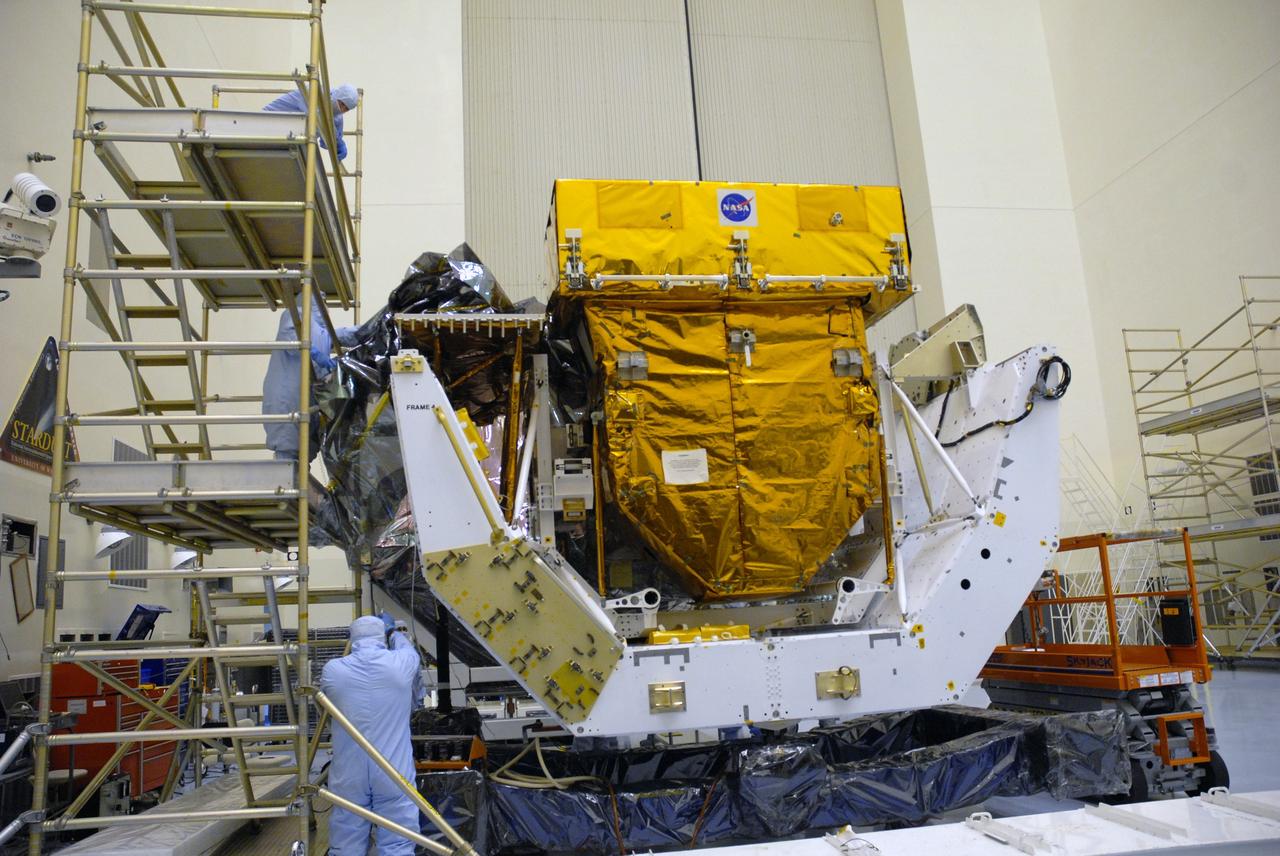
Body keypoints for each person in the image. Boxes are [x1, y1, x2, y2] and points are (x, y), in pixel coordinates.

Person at [321, 613, 422, 855]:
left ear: (352, 638)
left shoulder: (333, 670)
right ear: (382, 637)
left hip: (349, 772)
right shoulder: (401, 664)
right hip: (393, 770)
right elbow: (410, 651)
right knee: (398, 839)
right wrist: (395, 633)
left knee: (347, 837)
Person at [261, 294, 353, 461]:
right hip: (288, 399)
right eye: (325, 304)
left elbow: (349, 334)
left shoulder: (322, 332)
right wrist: (315, 353)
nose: (328, 310)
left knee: (302, 460)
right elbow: (292, 341)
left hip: (304, 402)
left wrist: (374, 328)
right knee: (288, 454)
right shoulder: (295, 314)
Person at [262, 83, 357, 160]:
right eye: (341, 104)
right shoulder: (314, 92)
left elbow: (325, 142)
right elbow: (316, 118)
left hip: (290, 140)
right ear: (336, 95)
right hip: (267, 121)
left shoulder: (337, 118)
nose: (342, 109)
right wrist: (336, 139)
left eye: (346, 109)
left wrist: (337, 144)